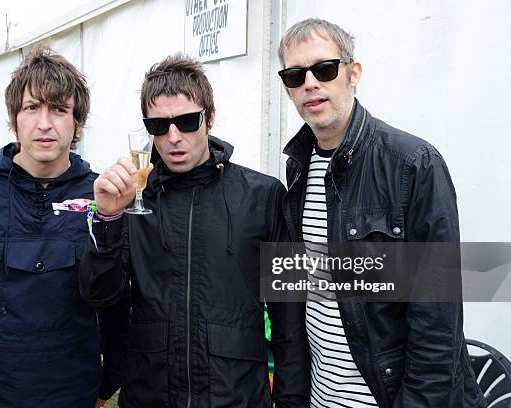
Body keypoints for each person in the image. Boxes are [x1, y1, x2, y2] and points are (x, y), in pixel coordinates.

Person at [79, 53, 309, 407]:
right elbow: (100, 296)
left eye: (187, 121)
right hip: (150, 396)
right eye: (158, 125)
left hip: (237, 398)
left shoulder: (263, 195)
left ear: (210, 118)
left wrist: (292, 401)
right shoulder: (132, 198)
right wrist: (107, 220)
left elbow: (288, 312)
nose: (173, 137)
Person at [277, 18, 485, 407]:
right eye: (294, 75)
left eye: (324, 69)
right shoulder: (298, 168)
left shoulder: (413, 164)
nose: (310, 83)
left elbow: (437, 321)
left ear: (352, 73)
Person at [0, 45, 127, 407]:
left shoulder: (103, 196)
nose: (44, 124)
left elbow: (117, 307)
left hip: (68, 394)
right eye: (32, 107)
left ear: (77, 121)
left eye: (59, 109)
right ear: (13, 118)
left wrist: (104, 387)